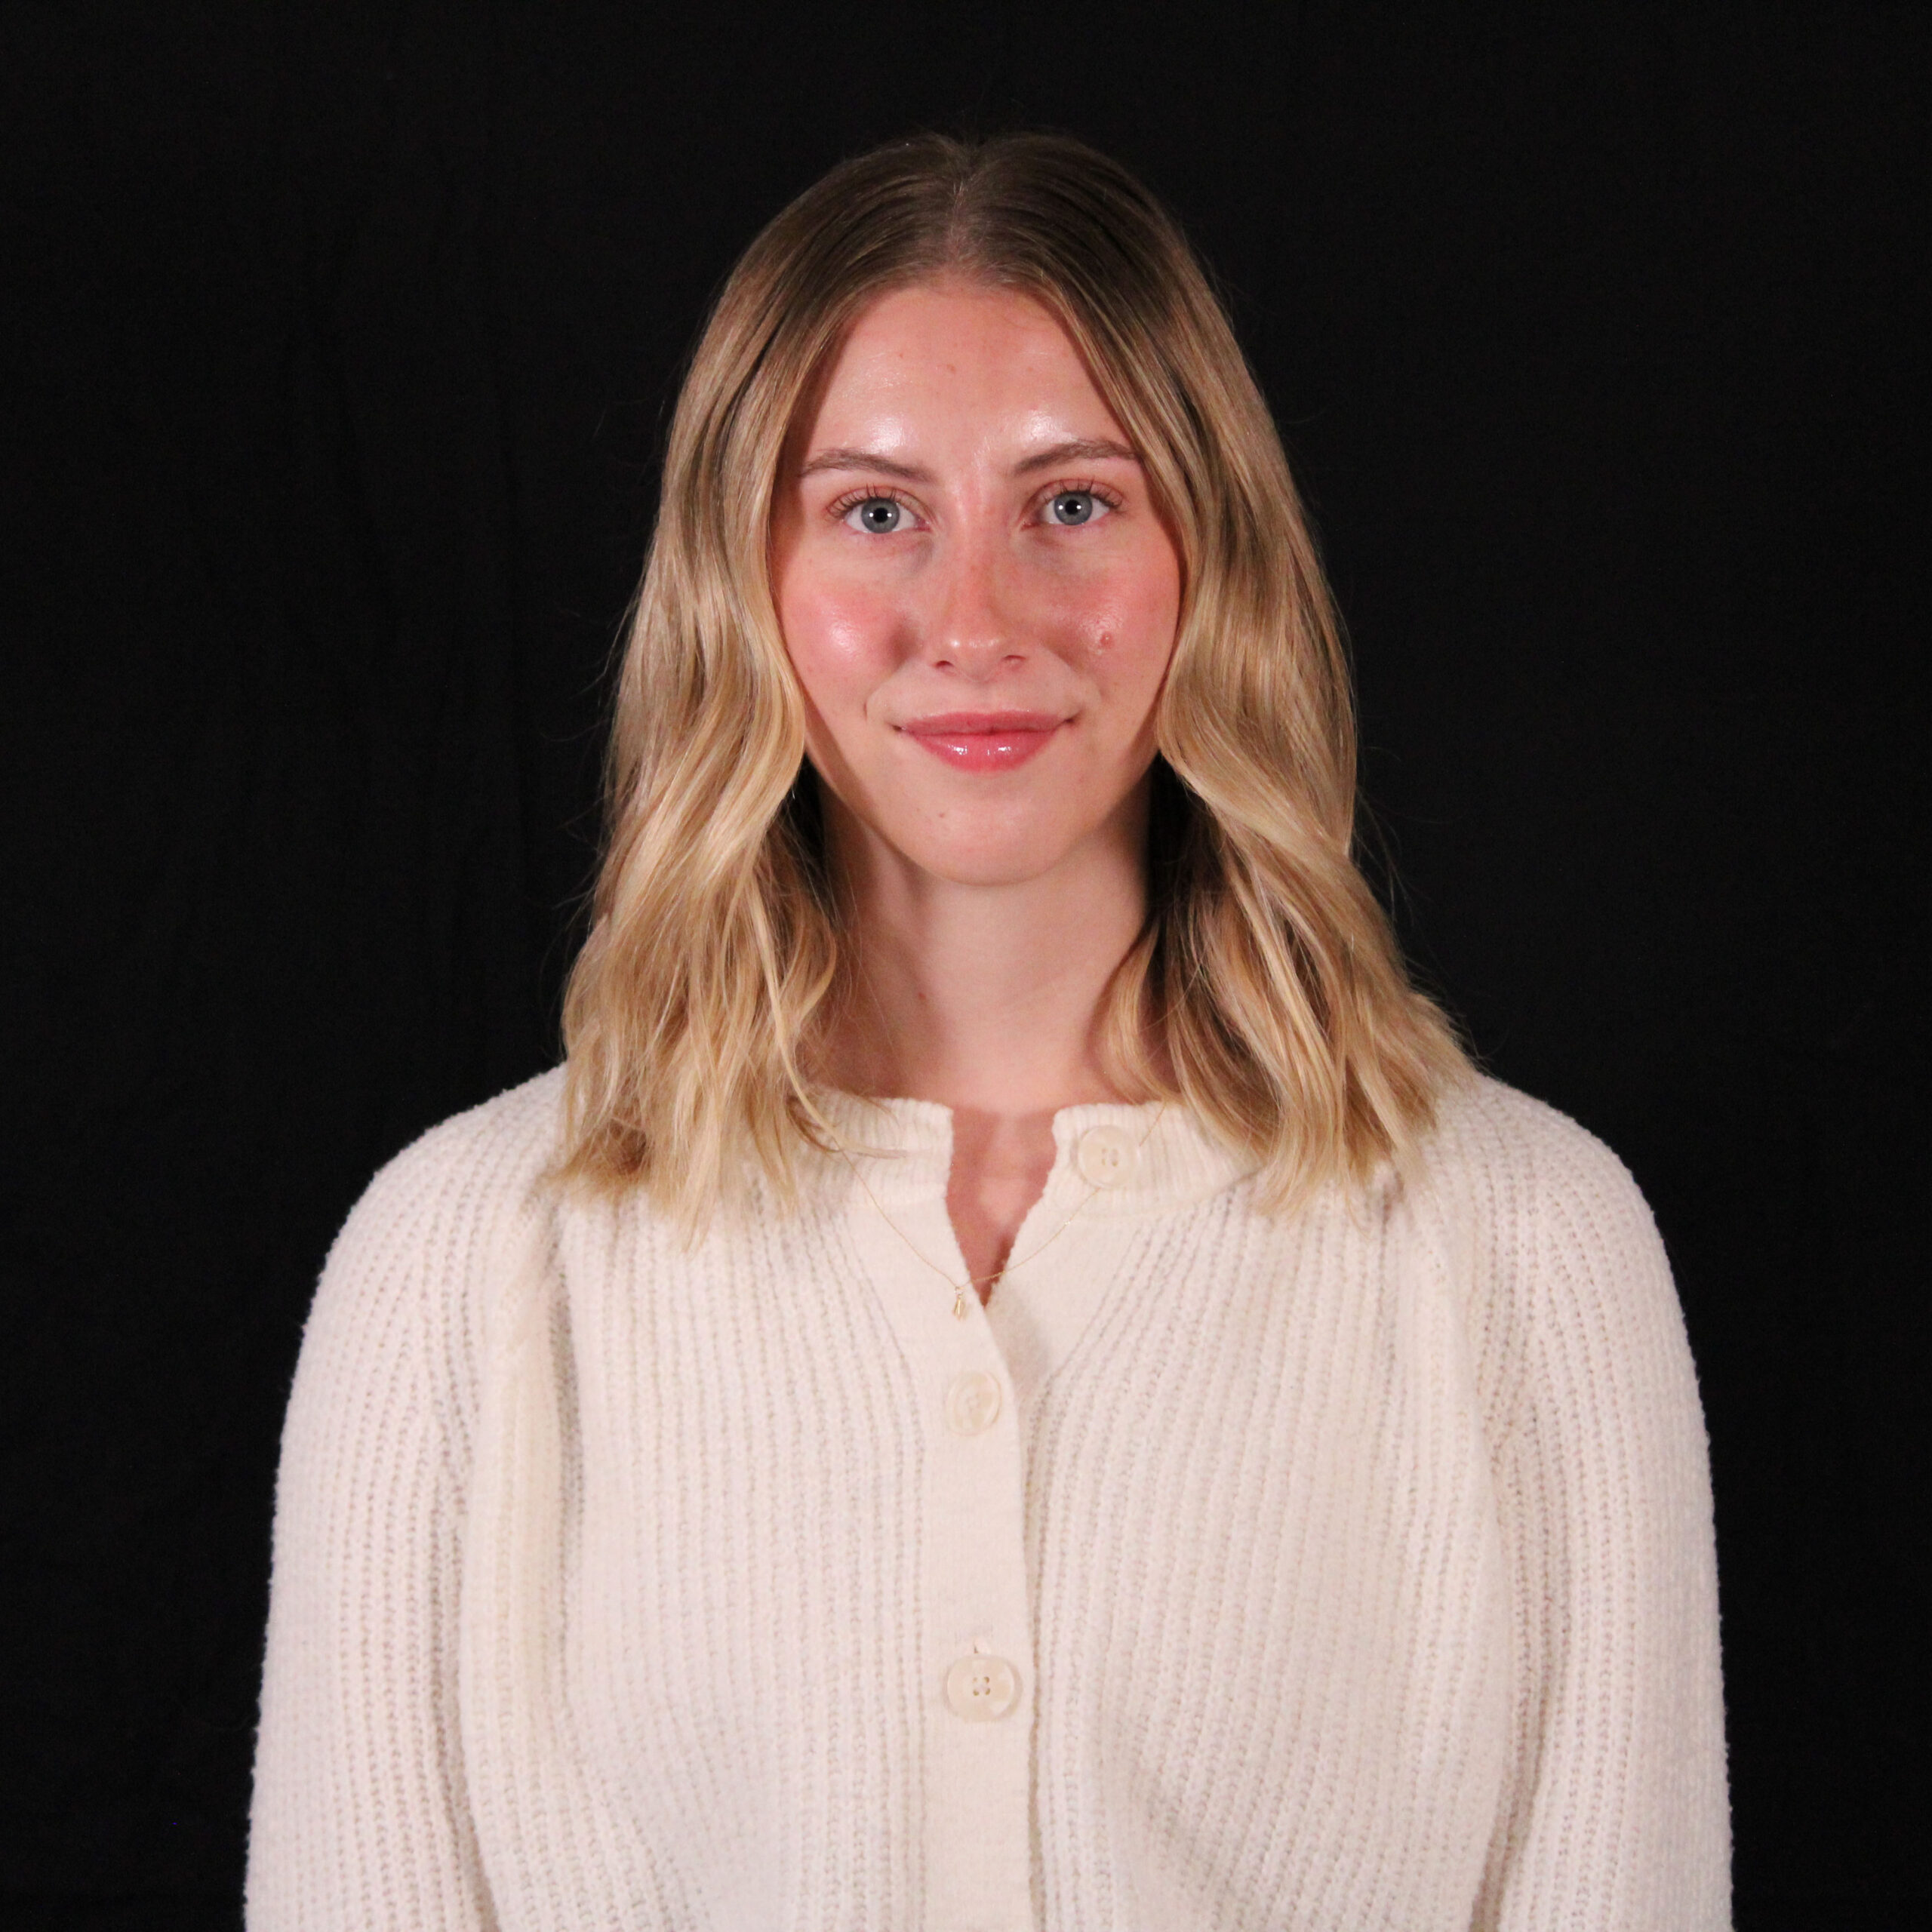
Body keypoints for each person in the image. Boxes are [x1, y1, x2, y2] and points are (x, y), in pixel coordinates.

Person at [245, 133, 1730, 1930]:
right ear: (742, 581)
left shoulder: (1525, 1249)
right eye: (876, 511)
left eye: (1072, 503)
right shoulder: (466, 1263)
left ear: (1209, 557)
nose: (976, 621)